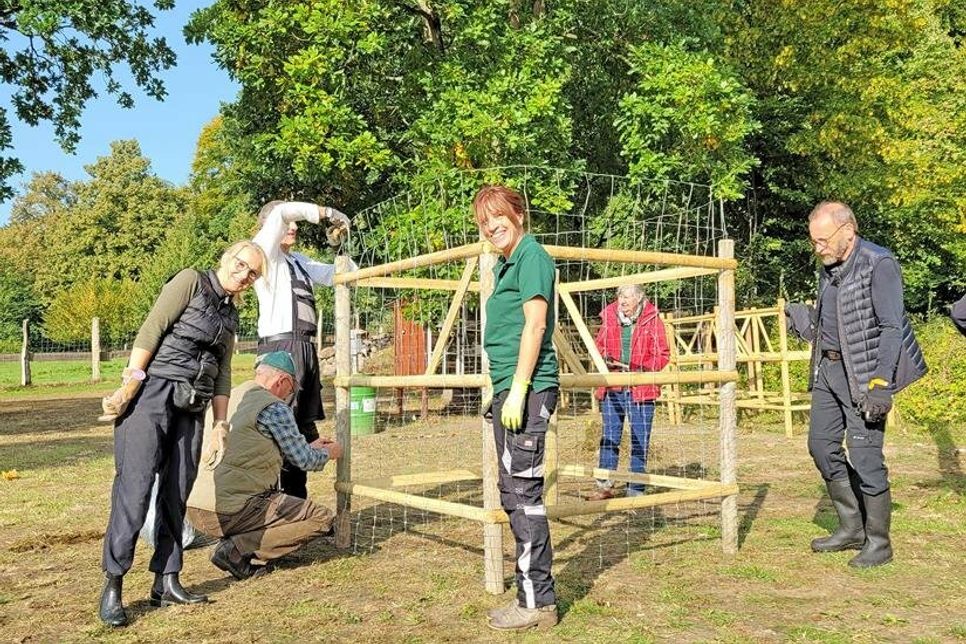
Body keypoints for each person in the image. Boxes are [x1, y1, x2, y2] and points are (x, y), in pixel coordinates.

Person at [97, 241, 266, 627]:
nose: (243, 274)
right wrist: (129, 385)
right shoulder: (190, 281)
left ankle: (167, 581)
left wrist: (220, 424)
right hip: (152, 396)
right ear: (226, 258)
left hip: (192, 407)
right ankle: (114, 584)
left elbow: (222, 373)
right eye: (241, 264)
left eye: (252, 273)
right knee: (135, 491)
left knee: (177, 491)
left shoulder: (232, 315)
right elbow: (152, 329)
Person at [786, 201, 926, 569]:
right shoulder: (829, 269)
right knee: (820, 446)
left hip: (864, 377)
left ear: (848, 230)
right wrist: (806, 322)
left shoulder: (879, 264)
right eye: (814, 242)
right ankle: (851, 527)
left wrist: (881, 382)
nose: (819, 248)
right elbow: (841, 323)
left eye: (823, 240)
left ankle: (879, 542)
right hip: (827, 373)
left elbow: (891, 328)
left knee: (866, 457)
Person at [475, 185, 560, 631]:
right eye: (484, 222)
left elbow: (536, 324)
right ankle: (530, 593)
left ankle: (536, 602)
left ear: (518, 214)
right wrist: (506, 390)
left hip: (527, 391)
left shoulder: (532, 258)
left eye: (497, 216)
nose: (491, 227)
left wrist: (521, 388)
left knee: (524, 493)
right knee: (512, 492)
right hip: (510, 390)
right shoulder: (509, 263)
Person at [186, 351, 342, 581]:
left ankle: (236, 541)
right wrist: (329, 452)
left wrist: (311, 445)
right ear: (282, 381)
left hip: (196, 507)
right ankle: (237, 549)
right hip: (232, 509)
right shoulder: (274, 407)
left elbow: (254, 449)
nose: (289, 397)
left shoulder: (227, 399)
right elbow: (305, 461)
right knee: (321, 518)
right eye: (290, 391)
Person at [252, 201, 354, 500]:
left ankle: (297, 507)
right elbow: (284, 211)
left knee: (300, 428)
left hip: (306, 349)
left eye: (296, 224)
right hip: (280, 349)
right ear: (269, 228)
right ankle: (270, 507)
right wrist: (326, 213)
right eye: (287, 224)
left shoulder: (297, 261)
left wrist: (341, 245)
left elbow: (341, 274)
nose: (293, 227)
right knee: (276, 427)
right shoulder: (265, 254)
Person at [586, 284, 670, 500]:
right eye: (620, 296)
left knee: (639, 438)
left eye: (628, 297)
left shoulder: (652, 320)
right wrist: (604, 358)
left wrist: (642, 369)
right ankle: (605, 485)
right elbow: (599, 346)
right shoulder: (610, 318)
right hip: (613, 386)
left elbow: (662, 354)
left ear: (640, 299)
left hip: (641, 389)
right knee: (610, 437)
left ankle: (636, 488)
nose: (622, 301)